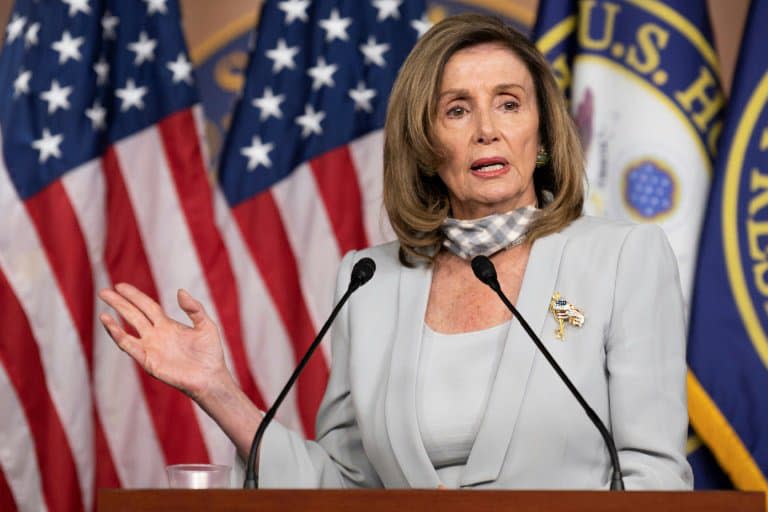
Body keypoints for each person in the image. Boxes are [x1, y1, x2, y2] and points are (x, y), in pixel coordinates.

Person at [99, 13, 692, 490]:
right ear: (428, 145)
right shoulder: (369, 282)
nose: (487, 128)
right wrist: (215, 388)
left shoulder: (621, 259)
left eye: (509, 103)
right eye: (456, 110)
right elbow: (342, 485)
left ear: (540, 135)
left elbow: (654, 474)